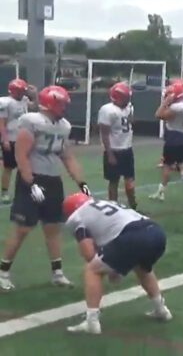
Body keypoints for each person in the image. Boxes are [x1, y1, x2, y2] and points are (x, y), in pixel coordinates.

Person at [0, 86, 91, 291]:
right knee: (23, 228)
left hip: (52, 181)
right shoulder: (31, 121)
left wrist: (83, 186)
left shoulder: (64, 126)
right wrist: (30, 183)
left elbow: (67, 156)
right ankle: (3, 272)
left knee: (53, 227)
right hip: (32, 178)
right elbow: (21, 155)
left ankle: (57, 273)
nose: (65, 107)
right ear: (51, 103)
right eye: (62, 103)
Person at [63, 193, 172, 334]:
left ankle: (92, 321)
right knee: (142, 268)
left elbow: (88, 252)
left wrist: (111, 268)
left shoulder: (78, 217)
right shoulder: (103, 204)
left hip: (132, 236)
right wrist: (114, 265)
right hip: (156, 232)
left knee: (92, 270)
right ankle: (161, 309)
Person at [150, 82, 183, 201]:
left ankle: (161, 193)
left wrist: (166, 102)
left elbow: (158, 115)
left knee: (167, 166)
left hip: (174, 138)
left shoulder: (177, 108)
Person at [98, 82, 137, 209]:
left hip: (127, 148)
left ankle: (133, 206)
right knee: (113, 181)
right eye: (126, 97)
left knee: (130, 180)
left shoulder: (129, 107)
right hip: (114, 149)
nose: (128, 99)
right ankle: (114, 208)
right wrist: (109, 154)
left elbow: (131, 123)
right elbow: (104, 134)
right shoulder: (107, 110)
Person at [0, 79, 38, 203]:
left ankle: (24, 190)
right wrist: (5, 140)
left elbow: (35, 107)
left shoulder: (24, 100)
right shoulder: (5, 102)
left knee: (26, 165)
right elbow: (2, 123)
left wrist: (36, 95)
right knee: (9, 167)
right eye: (21, 91)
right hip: (10, 138)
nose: (23, 93)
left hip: (23, 138)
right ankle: (4, 192)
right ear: (14, 91)